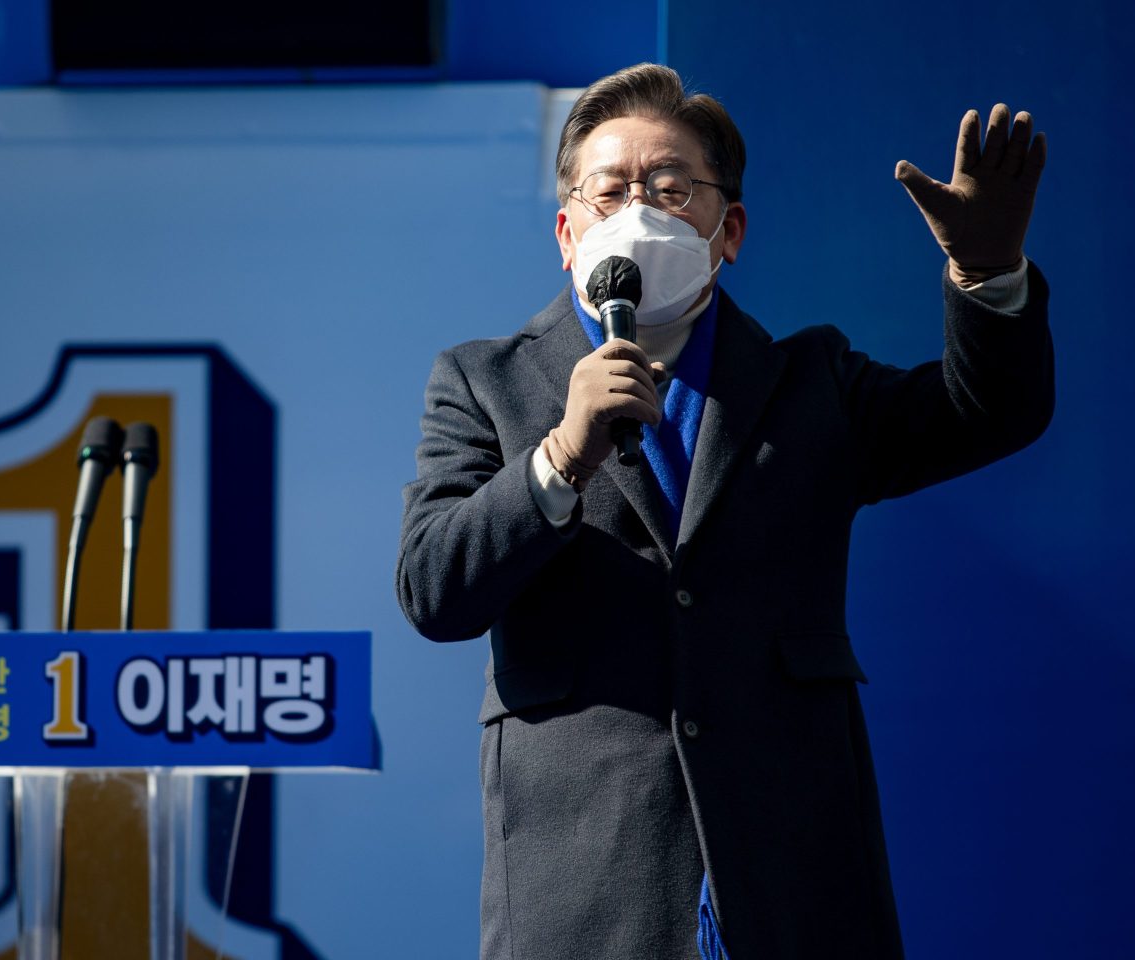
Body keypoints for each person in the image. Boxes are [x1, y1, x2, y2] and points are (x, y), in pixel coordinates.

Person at [396, 63, 1051, 960]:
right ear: (564, 229)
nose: (638, 212)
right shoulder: (487, 384)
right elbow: (434, 590)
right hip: (585, 894)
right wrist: (558, 456)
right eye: (611, 190)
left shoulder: (809, 384)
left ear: (728, 228)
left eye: (671, 190)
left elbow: (991, 412)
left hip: (797, 885)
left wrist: (988, 273)